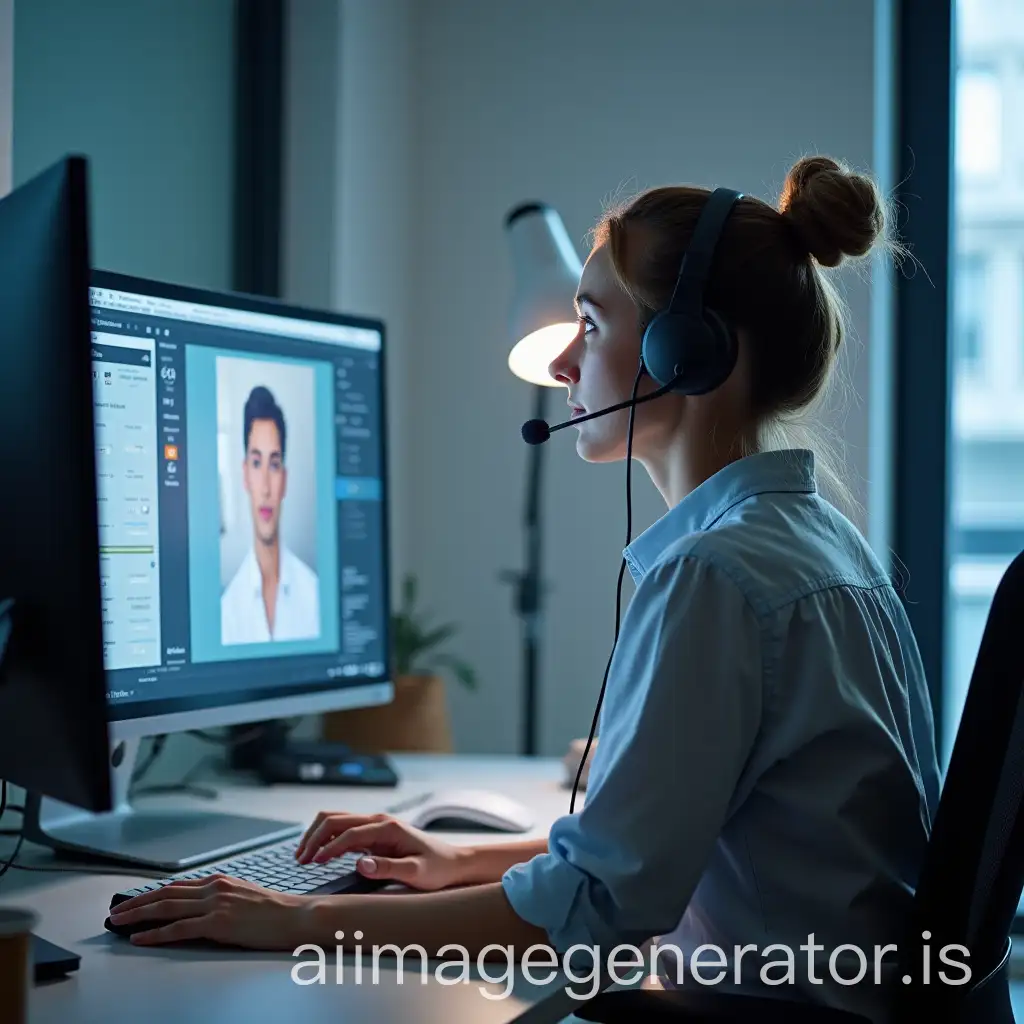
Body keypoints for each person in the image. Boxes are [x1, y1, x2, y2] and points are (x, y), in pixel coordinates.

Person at [110, 156, 940, 1022]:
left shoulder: (715, 575)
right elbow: (649, 845)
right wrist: (457, 859)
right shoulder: (816, 543)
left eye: (590, 322)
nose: (564, 363)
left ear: (687, 353)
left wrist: (301, 918)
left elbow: (601, 915)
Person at [220, 384, 320, 644]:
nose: (265, 487)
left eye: (273, 465)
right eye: (256, 463)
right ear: (245, 475)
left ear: (284, 480)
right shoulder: (226, 613)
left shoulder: (316, 596)